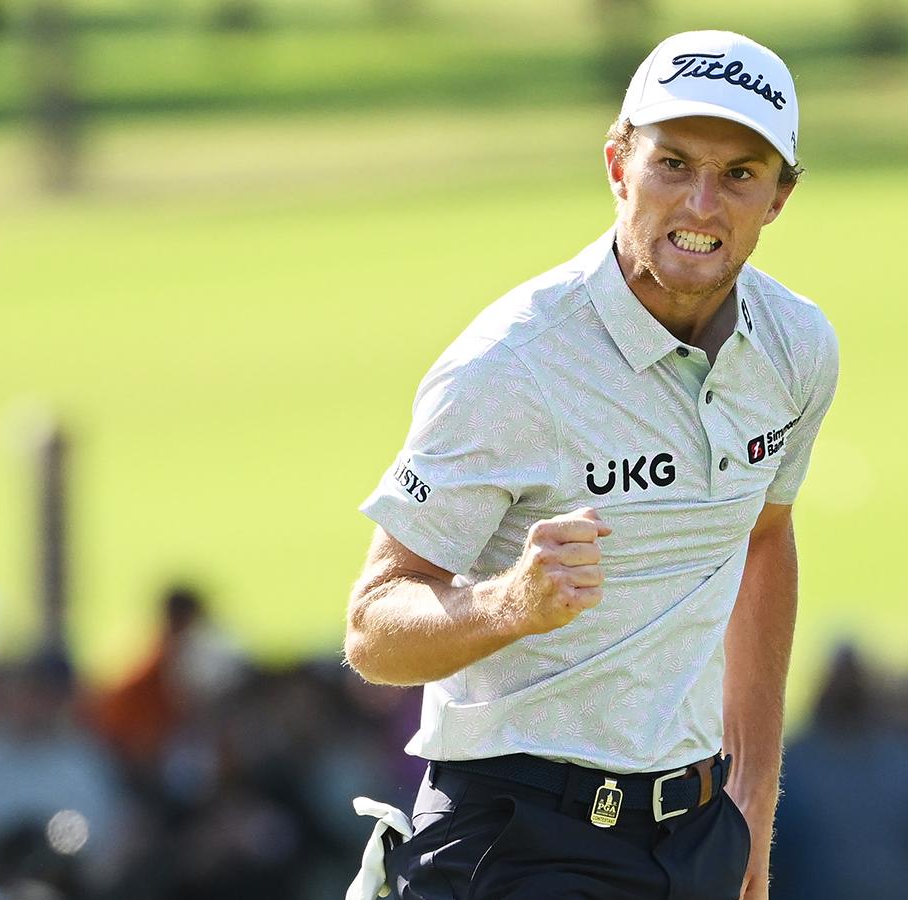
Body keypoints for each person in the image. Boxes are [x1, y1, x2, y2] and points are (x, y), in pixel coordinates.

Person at [344, 30, 838, 899]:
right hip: (517, 833)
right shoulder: (511, 365)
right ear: (618, 164)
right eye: (672, 163)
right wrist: (508, 603)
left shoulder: (797, 348)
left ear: (780, 199)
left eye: (739, 175)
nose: (701, 204)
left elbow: (763, 542)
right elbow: (372, 630)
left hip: (695, 833)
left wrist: (752, 809)